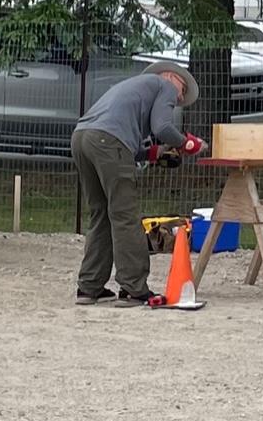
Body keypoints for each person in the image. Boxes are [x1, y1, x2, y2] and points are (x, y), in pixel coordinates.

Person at [72, 61, 207, 307]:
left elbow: (124, 144)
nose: (179, 98)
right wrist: (187, 143)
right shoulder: (164, 85)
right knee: (125, 215)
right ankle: (133, 288)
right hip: (107, 141)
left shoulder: (133, 88)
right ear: (170, 76)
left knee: (101, 214)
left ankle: (89, 287)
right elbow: (162, 127)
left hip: (82, 137)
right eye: (182, 90)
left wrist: (154, 153)